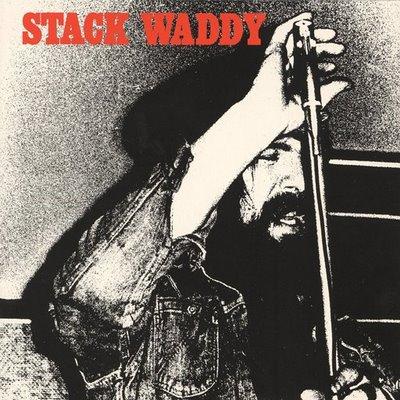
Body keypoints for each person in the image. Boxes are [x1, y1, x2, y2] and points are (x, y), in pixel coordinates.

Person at [50, 13, 391, 400]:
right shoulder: (162, 311)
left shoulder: (336, 330)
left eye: (308, 163)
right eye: (271, 156)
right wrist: (252, 123)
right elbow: (92, 298)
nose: (300, 183)